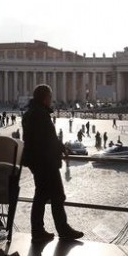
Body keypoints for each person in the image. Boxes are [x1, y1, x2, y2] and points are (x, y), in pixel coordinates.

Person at [21, 85, 83, 243]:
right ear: (45, 98)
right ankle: (61, 229)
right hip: (45, 162)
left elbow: (43, 138)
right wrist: (61, 148)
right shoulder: (41, 114)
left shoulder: (30, 113)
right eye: (50, 96)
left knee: (41, 195)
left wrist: (59, 147)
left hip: (37, 161)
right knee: (56, 195)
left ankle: (39, 230)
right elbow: (48, 138)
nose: (51, 100)